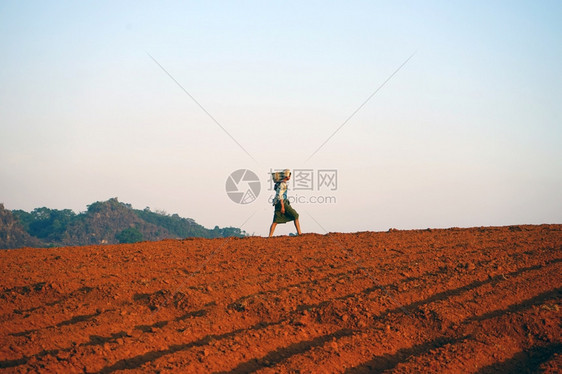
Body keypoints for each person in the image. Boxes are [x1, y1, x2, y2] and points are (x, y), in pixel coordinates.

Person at [269, 169, 302, 237]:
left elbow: (276, 190)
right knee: (295, 215)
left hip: (276, 202)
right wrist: (283, 206)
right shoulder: (283, 184)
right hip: (282, 202)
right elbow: (280, 195)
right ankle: (300, 233)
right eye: (289, 176)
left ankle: (270, 236)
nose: (289, 177)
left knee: (275, 221)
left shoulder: (278, 183)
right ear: (287, 176)